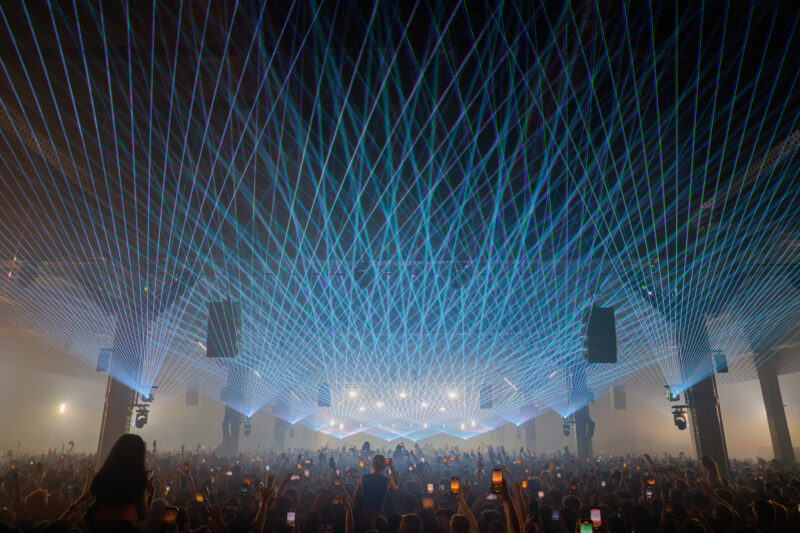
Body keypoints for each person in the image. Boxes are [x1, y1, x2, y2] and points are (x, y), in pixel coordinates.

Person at [86, 434, 154, 531]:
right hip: (122, 527)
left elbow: (91, 495)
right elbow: (142, 516)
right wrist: (151, 494)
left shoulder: (103, 474)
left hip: (98, 526)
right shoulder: (137, 478)